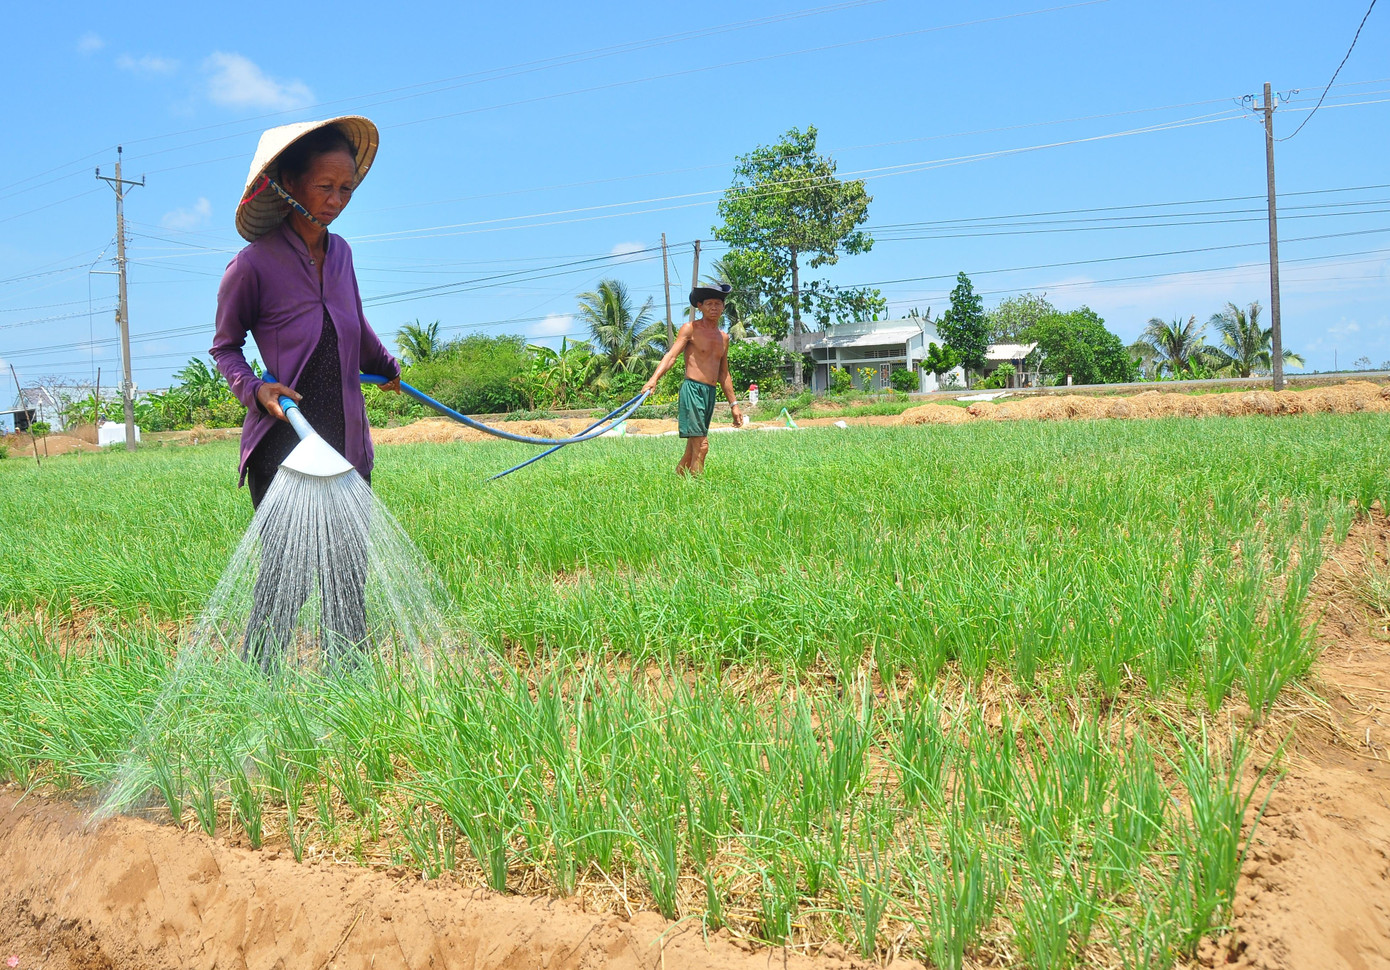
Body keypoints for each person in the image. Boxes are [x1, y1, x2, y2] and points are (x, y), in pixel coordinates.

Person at [211, 116, 401, 667]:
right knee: (286, 576)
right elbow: (225, 347)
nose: (337, 199)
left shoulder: (342, 254)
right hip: (285, 438)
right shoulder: (252, 265)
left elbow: (354, 324)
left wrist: (385, 365)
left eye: (346, 188)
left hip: (345, 435)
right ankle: (261, 685)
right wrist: (255, 388)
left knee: (347, 575)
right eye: (325, 186)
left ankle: (350, 690)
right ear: (289, 183)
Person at [641, 283, 744, 475]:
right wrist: (653, 379)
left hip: (709, 393)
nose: (714, 308)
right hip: (693, 390)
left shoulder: (724, 337)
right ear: (700, 306)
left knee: (692, 449)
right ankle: (699, 490)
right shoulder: (690, 329)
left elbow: (724, 374)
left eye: (718, 304)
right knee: (702, 445)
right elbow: (671, 356)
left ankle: (679, 482)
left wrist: (734, 405)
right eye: (709, 303)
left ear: (723, 307)